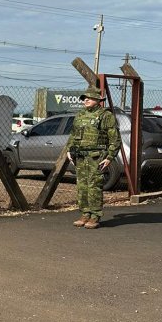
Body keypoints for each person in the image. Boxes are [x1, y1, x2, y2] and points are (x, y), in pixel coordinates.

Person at [66, 87, 120, 229]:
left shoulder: (105, 115)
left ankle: (95, 216)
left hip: (97, 157)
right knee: (82, 186)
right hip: (80, 157)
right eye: (84, 98)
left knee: (94, 186)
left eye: (89, 97)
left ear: (98, 100)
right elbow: (73, 135)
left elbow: (114, 139)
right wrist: (69, 149)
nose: (86, 100)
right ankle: (85, 214)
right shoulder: (80, 115)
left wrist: (110, 157)